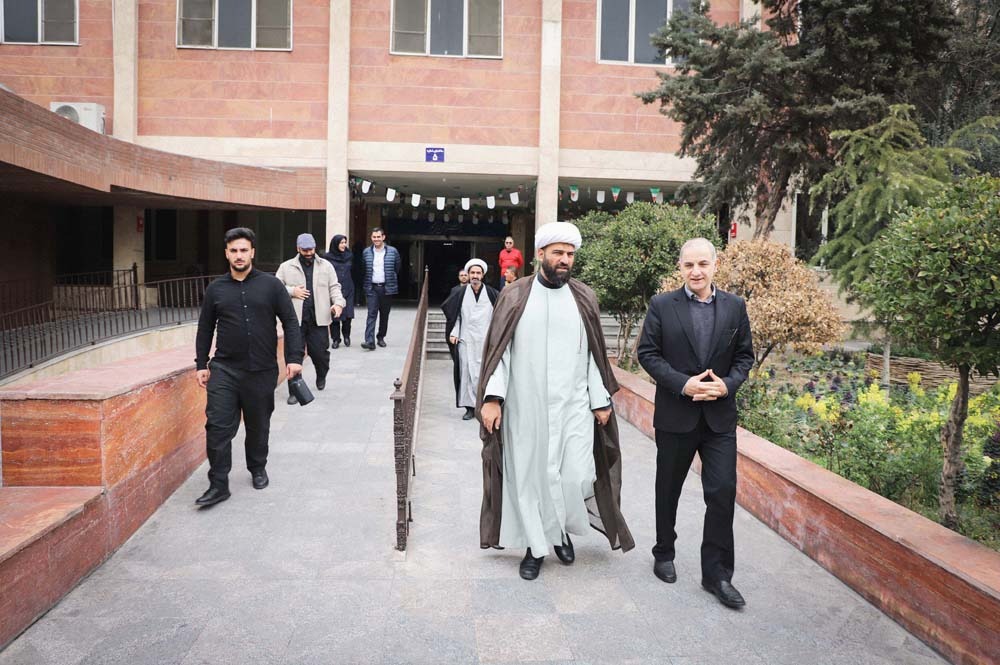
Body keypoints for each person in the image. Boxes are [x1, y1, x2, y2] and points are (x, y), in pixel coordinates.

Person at [477, 221, 634, 580]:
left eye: (570, 254)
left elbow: (594, 354)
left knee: (576, 475)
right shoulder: (515, 295)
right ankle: (536, 547)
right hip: (525, 406)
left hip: (573, 406)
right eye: (558, 253)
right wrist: (493, 398)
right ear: (540, 254)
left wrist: (600, 399)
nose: (565, 259)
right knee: (529, 479)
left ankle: (560, 530)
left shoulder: (583, 297)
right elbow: (500, 352)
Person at [636, 237, 754, 609]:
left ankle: (717, 575)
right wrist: (682, 384)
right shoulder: (662, 305)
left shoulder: (735, 306)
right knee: (668, 487)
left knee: (722, 491)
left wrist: (728, 384)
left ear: (715, 265)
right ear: (681, 268)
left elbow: (744, 357)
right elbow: (647, 353)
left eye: (703, 264)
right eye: (689, 265)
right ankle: (664, 552)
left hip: (719, 419)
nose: (696, 271)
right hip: (676, 414)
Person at [194, 227, 304, 506]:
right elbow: (205, 328)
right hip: (225, 370)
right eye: (234, 250)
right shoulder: (216, 289)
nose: (239, 255)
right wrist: (201, 363)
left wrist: (294, 358)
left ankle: (257, 467)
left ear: (252, 252)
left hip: (262, 371)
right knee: (217, 427)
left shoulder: (271, 285)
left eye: (244, 250)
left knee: (258, 426)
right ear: (226, 254)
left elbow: (291, 322)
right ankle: (218, 484)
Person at [276, 233, 345, 405]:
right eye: (305, 250)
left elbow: (334, 287)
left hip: (318, 319)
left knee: (320, 354)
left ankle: (321, 374)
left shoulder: (326, 266)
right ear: (298, 249)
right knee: (293, 355)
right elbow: (275, 288)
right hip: (294, 321)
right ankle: (294, 391)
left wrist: (338, 304)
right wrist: (292, 291)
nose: (308, 253)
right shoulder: (286, 267)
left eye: (311, 250)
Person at [441, 259, 499, 420]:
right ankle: (469, 408)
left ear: (483, 275)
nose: (475, 276)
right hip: (465, 339)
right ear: (468, 274)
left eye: (478, 273)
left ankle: (483, 405)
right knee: (466, 373)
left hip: (485, 340)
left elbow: (499, 316)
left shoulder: (492, 294)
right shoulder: (460, 293)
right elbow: (455, 315)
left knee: (483, 373)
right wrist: (454, 332)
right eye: (472, 273)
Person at [360, 227, 402, 350]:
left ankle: (381, 337)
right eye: (374, 237)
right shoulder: (366, 252)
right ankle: (369, 341)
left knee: (384, 315)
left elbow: (397, 267)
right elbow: (363, 268)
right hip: (372, 287)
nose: (376, 239)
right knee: (371, 314)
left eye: (378, 237)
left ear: (383, 237)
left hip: (387, 288)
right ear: (371, 238)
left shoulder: (393, 251)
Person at [323, 234, 356, 349]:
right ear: (335, 244)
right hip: (334, 289)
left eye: (345, 242)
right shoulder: (327, 258)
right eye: (341, 243)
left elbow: (355, 271)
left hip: (348, 288)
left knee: (348, 316)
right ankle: (336, 339)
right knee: (335, 316)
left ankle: (346, 336)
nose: (343, 245)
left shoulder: (349, 255)